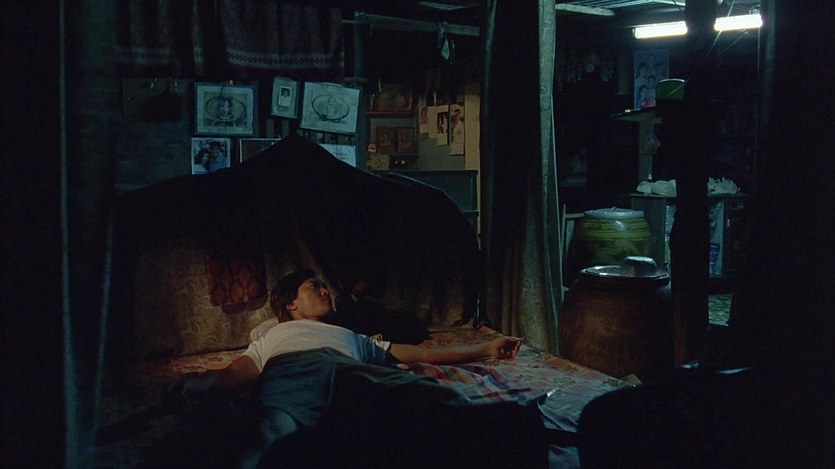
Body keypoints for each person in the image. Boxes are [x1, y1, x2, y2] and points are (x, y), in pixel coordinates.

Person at [169, 269, 524, 467]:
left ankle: (502, 434)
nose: (325, 291)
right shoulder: (275, 333)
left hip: (348, 370)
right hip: (294, 370)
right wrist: (194, 384)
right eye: (314, 287)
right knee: (269, 435)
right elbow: (237, 372)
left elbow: (417, 354)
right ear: (291, 303)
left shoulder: (351, 335)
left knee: (433, 397)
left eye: (324, 286)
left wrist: (485, 347)